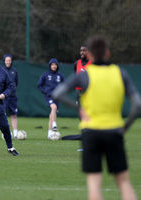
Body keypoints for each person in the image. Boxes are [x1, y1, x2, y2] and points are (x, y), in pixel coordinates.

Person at [52, 35, 140, 200]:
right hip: (114, 131)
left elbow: (57, 93)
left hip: (91, 132)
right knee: (123, 182)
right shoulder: (120, 72)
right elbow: (137, 105)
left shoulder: (84, 75)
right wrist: (126, 127)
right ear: (108, 53)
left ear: (90, 54)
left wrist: (80, 109)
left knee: (94, 182)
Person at [37, 58, 64, 139]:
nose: (54, 66)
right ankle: (54, 124)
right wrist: (45, 92)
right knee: (54, 107)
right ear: (50, 66)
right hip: (49, 96)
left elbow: (64, 86)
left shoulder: (60, 76)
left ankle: (49, 133)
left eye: (55, 64)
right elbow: (39, 85)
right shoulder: (45, 75)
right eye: (52, 65)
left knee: (52, 113)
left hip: (58, 97)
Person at [0, 54, 18, 139]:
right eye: (6, 60)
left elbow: (15, 84)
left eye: (9, 60)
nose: (8, 62)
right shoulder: (0, 70)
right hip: (3, 97)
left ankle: (15, 134)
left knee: (13, 115)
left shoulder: (14, 71)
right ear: (4, 61)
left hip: (12, 97)